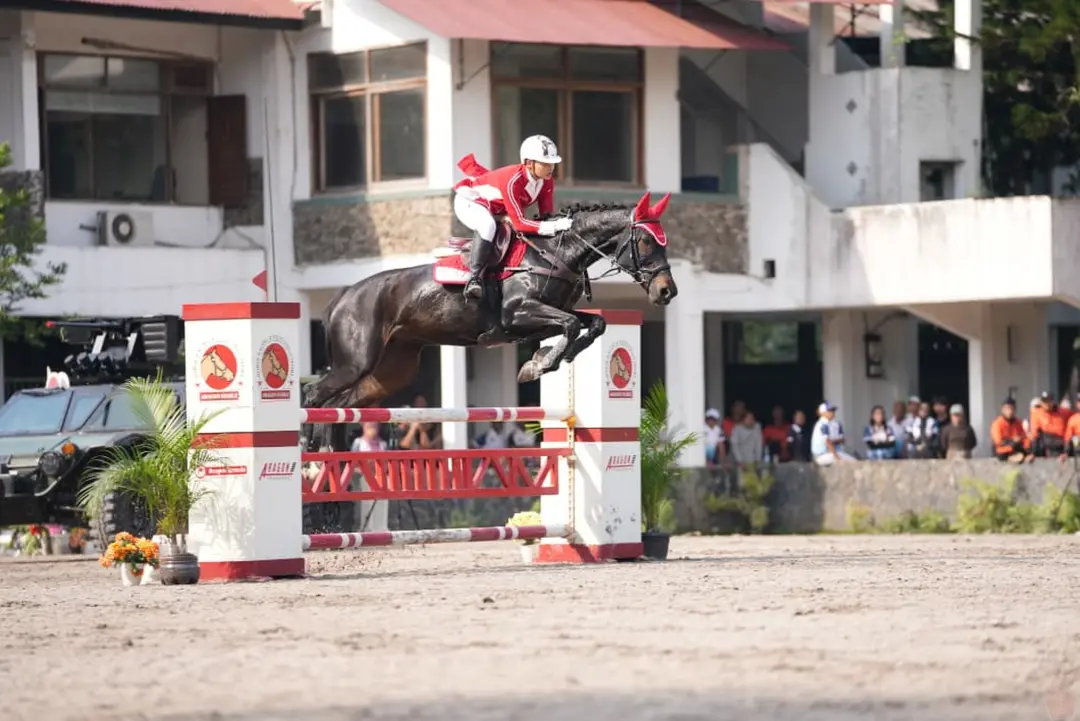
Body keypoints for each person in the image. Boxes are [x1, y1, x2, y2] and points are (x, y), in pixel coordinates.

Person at [452, 135, 572, 300]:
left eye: (552, 163)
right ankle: (474, 279)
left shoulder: (546, 181)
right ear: (529, 163)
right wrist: (556, 225)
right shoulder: (513, 180)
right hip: (470, 202)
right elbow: (520, 223)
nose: (551, 167)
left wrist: (558, 223)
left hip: (496, 208)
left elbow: (546, 216)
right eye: (545, 163)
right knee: (488, 226)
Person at [990, 398, 1031, 463]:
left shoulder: (1018, 422)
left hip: (1015, 448)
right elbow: (998, 441)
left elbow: (1024, 437)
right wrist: (1012, 440)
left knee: (1029, 449)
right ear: (1002, 409)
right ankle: (1012, 458)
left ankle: (1021, 457)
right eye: (1007, 409)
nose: (1010, 411)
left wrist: (1027, 448)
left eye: (1012, 409)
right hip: (1002, 451)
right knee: (1001, 450)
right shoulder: (997, 423)